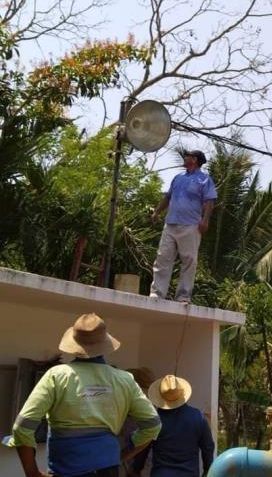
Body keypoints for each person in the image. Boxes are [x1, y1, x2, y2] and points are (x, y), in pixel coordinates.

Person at [6, 313, 161, 477]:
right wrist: (121, 454)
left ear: (74, 345)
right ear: (105, 345)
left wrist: (32, 472)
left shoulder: (57, 376)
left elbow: (22, 427)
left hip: (65, 469)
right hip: (108, 469)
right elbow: (152, 426)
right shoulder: (124, 380)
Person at [150, 150, 217, 303]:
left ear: (194, 159)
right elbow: (168, 197)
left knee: (189, 261)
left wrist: (205, 221)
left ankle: (183, 296)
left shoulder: (204, 180)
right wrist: (157, 212)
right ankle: (157, 293)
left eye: (187, 156)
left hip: (191, 225)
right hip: (171, 223)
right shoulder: (178, 178)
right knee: (162, 259)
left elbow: (209, 202)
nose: (185, 158)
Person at [133, 375, 214, 476]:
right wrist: (207, 472)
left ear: (160, 397)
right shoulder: (198, 418)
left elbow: (142, 449)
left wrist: (136, 470)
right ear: (182, 394)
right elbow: (208, 448)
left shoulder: (154, 421)